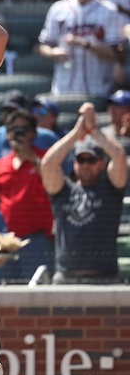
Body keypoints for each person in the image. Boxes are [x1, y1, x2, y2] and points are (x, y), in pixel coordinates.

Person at [41, 102, 127, 284]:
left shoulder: (110, 188)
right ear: (74, 162)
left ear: (101, 163)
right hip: (66, 277)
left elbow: (119, 156)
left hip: (106, 277)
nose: (86, 164)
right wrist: (76, 133)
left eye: (91, 159)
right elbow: (48, 164)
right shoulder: (63, 189)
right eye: (81, 159)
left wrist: (94, 129)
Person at [38, 0, 124, 97]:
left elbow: (114, 52)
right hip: (63, 90)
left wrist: (84, 44)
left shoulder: (109, 9)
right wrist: (52, 52)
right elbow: (43, 46)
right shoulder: (58, 9)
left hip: (97, 91)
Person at [0, 108, 55, 283]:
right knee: (5, 294)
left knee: (39, 295)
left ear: (33, 133)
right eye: (13, 129)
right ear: (7, 134)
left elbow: (53, 187)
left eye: (23, 130)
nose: (17, 134)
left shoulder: (46, 159)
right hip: (6, 241)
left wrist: (32, 159)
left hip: (37, 239)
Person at [0, 90, 65, 181]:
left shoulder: (47, 137)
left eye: (15, 112)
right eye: (6, 111)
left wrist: (32, 157)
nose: (10, 116)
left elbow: (62, 175)